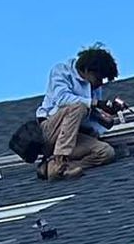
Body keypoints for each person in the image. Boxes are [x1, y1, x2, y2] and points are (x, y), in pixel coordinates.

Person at [35, 46, 124, 180]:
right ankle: (58, 163)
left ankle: (57, 168)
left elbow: (89, 112)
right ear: (88, 70)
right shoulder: (61, 71)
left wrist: (104, 118)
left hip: (72, 136)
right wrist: (96, 103)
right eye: (99, 78)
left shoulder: (93, 88)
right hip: (49, 131)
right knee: (78, 107)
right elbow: (62, 99)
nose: (100, 83)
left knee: (106, 152)